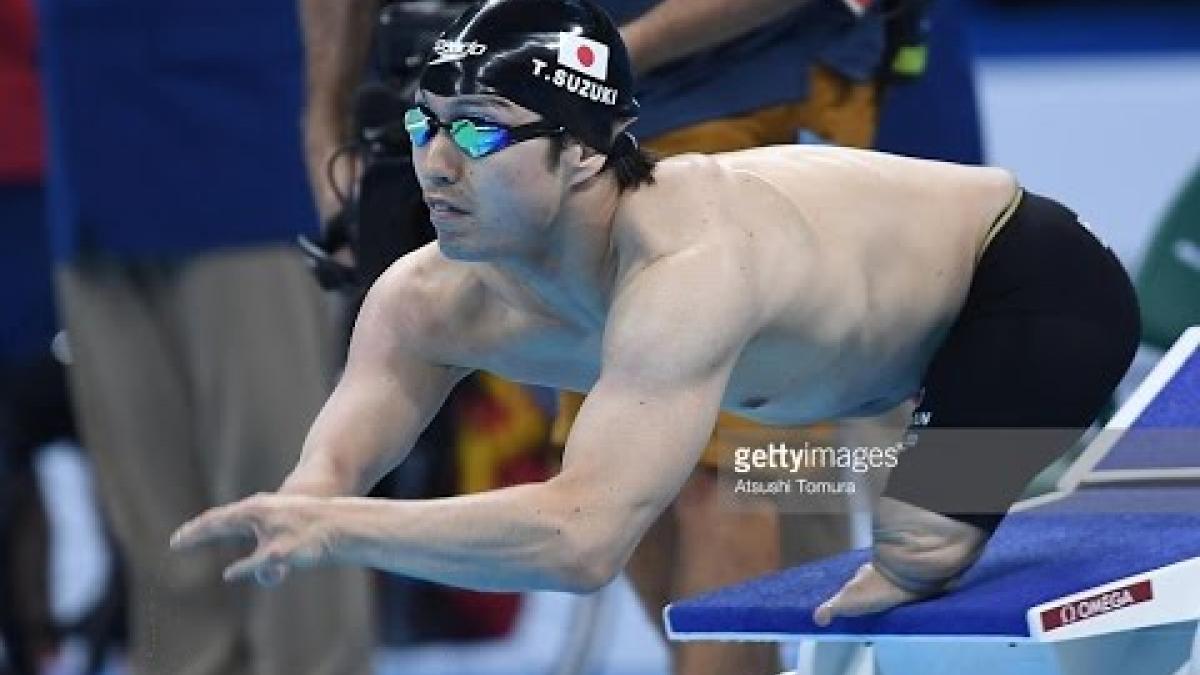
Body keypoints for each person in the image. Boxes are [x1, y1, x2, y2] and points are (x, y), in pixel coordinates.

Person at [173, 0, 1139, 629]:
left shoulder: (690, 265)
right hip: (835, 378)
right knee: (699, 496)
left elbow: (579, 540)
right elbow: (324, 481)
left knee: (907, 550)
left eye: (475, 131)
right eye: (428, 124)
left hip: (1029, 292)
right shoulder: (428, 295)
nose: (433, 163)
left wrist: (347, 529)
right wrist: (302, 508)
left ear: (585, 153)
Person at [34, 0, 375, 672]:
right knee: (157, 529)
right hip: (91, 152)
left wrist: (327, 119)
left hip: (246, 149)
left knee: (285, 502)